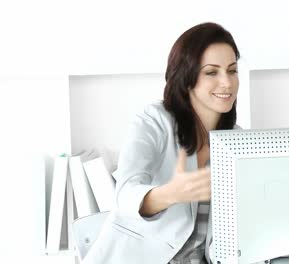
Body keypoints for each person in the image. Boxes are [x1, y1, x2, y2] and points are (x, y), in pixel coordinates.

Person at [82, 22, 240, 264]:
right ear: (187, 78)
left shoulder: (238, 141)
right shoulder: (154, 121)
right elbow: (125, 194)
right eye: (211, 72)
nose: (227, 83)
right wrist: (169, 194)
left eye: (232, 70)